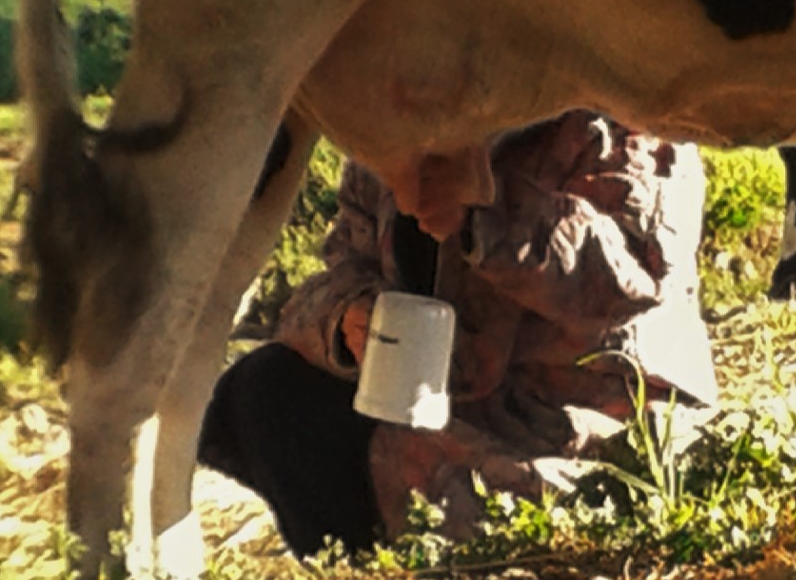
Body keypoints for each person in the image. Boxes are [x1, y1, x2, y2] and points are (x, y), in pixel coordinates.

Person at [198, 110, 716, 557]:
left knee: (535, 509)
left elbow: (628, 276)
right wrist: (349, 318)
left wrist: (482, 216)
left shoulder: (621, 113)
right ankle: (364, 571)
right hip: (434, 418)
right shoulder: (396, 120)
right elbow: (344, 259)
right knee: (263, 391)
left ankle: (424, 559)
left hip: (578, 429)